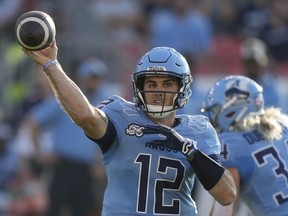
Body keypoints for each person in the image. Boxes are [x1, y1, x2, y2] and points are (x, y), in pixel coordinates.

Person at [21, 42, 236, 215]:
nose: (159, 91)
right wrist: (51, 65)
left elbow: (227, 195)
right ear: (139, 87)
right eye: (151, 84)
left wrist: (191, 152)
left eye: (167, 84)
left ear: (183, 88)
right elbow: (86, 115)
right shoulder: (120, 114)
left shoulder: (198, 129)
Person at [21, 57, 112, 216]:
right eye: (90, 77)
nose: (93, 81)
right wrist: (40, 153)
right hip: (63, 166)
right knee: (55, 209)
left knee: (82, 210)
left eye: (96, 77)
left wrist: (101, 163)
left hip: (86, 170)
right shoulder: (68, 99)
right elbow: (34, 122)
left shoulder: (105, 101)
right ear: (82, 78)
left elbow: (108, 136)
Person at [202, 75, 288, 216]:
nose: (213, 119)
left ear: (233, 108)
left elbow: (222, 212)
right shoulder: (284, 124)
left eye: (216, 111)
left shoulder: (232, 144)